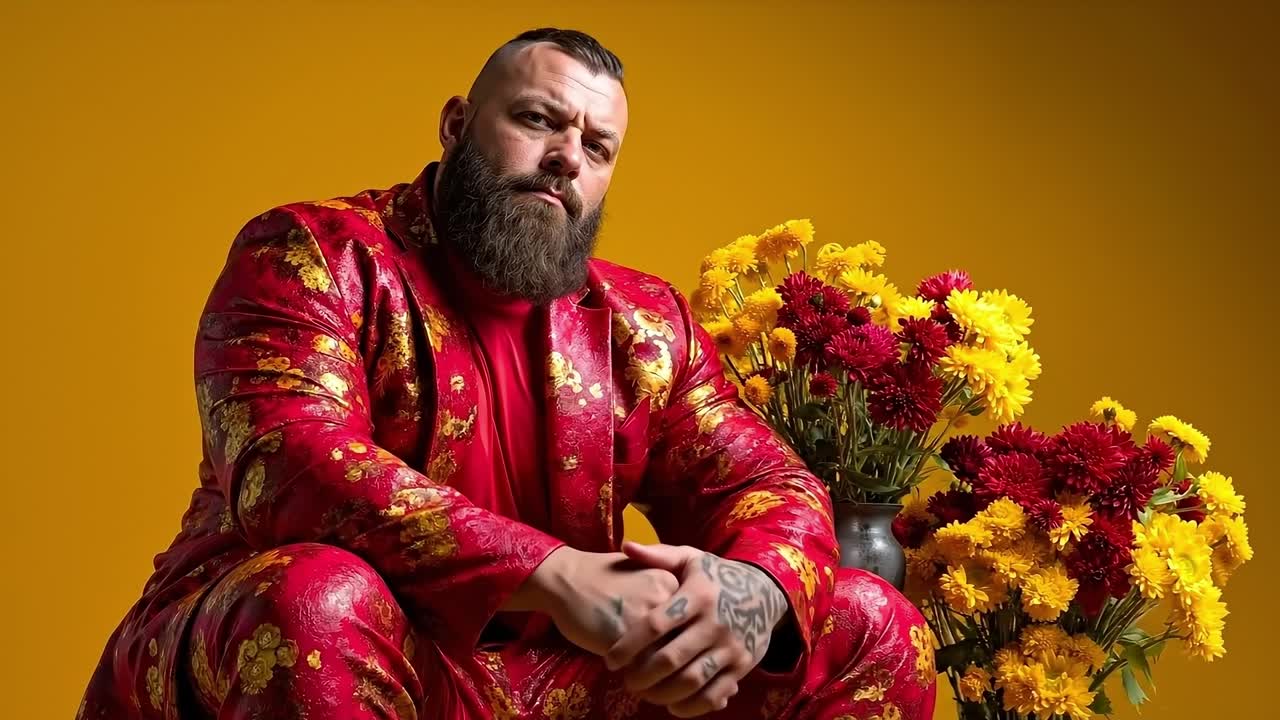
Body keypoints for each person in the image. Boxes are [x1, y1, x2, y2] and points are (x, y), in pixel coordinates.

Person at [78, 27, 936, 720]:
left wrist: (749, 590)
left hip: (557, 679)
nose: (569, 155)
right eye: (539, 120)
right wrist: (556, 574)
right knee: (318, 597)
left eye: (598, 146)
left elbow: (768, 479)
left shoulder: (647, 323)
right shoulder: (312, 252)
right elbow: (291, 462)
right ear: (457, 124)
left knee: (871, 618)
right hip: (314, 645)